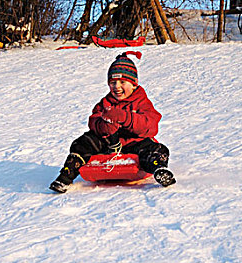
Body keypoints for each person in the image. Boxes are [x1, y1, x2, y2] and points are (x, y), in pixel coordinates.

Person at [49, 51, 175, 193]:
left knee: (157, 149)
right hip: (109, 144)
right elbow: (93, 121)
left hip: (134, 142)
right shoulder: (105, 103)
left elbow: (150, 126)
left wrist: (125, 117)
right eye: (113, 82)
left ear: (134, 84)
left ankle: (159, 169)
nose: (117, 86)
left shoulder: (141, 102)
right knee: (82, 142)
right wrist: (104, 127)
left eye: (122, 82)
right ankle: (66, 175)